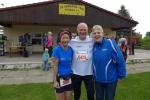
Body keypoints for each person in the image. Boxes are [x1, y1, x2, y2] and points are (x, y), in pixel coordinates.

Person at [92, 25, 126, 100]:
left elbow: (120, 59)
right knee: (98, 98)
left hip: (110, 80)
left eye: (98, 32)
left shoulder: (110, 43)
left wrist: (121, 75)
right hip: (98, 80)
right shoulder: (93, 46)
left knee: (109, 98)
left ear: (103, 34)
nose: (96, 35)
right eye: (94, 33)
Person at [69, 22, 94, 100]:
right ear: (77, 30)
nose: (82, 31)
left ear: (87, 30)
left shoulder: (92, 41)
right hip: (75, 73)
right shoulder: (71, 41)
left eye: (84, 30)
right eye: (81, 30)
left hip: (89, 73)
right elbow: (62, 45)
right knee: (76, 95)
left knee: (91, 95)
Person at [52, 30, 73, 100]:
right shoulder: (56, 50)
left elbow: (71, 63)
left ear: (69, 39)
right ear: (60, 39)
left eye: (67, 38)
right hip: (59, 78)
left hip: (69, 78)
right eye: (63, 38)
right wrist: (55, 81)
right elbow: (55, 66)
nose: (65, 40)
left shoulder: (71, 50)